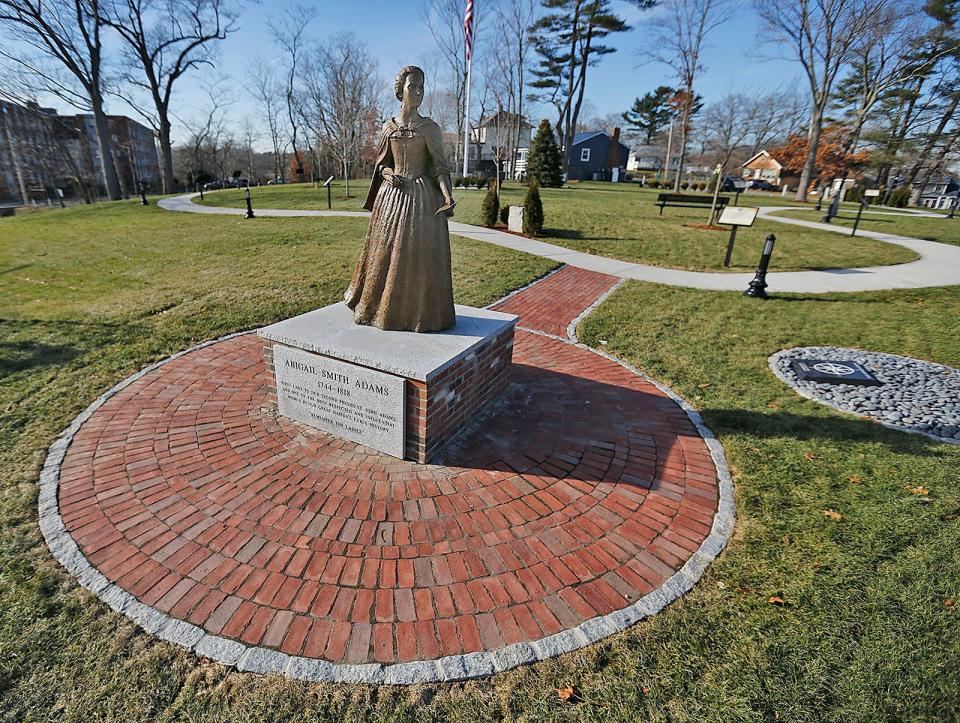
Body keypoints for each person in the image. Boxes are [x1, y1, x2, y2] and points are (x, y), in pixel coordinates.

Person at [345, 65, 457, 332]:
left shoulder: (430, 128)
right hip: (391, 198)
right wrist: (386, 172)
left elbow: (440, 167)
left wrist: (447, 195)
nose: (418, 92)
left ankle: (416, 314)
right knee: (384, 253)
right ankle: (376, 308)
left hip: (420, 199)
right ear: (400, 91)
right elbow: (382, 162)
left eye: (421, 87)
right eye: (412, 87)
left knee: (415, 256)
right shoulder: (388, 127)